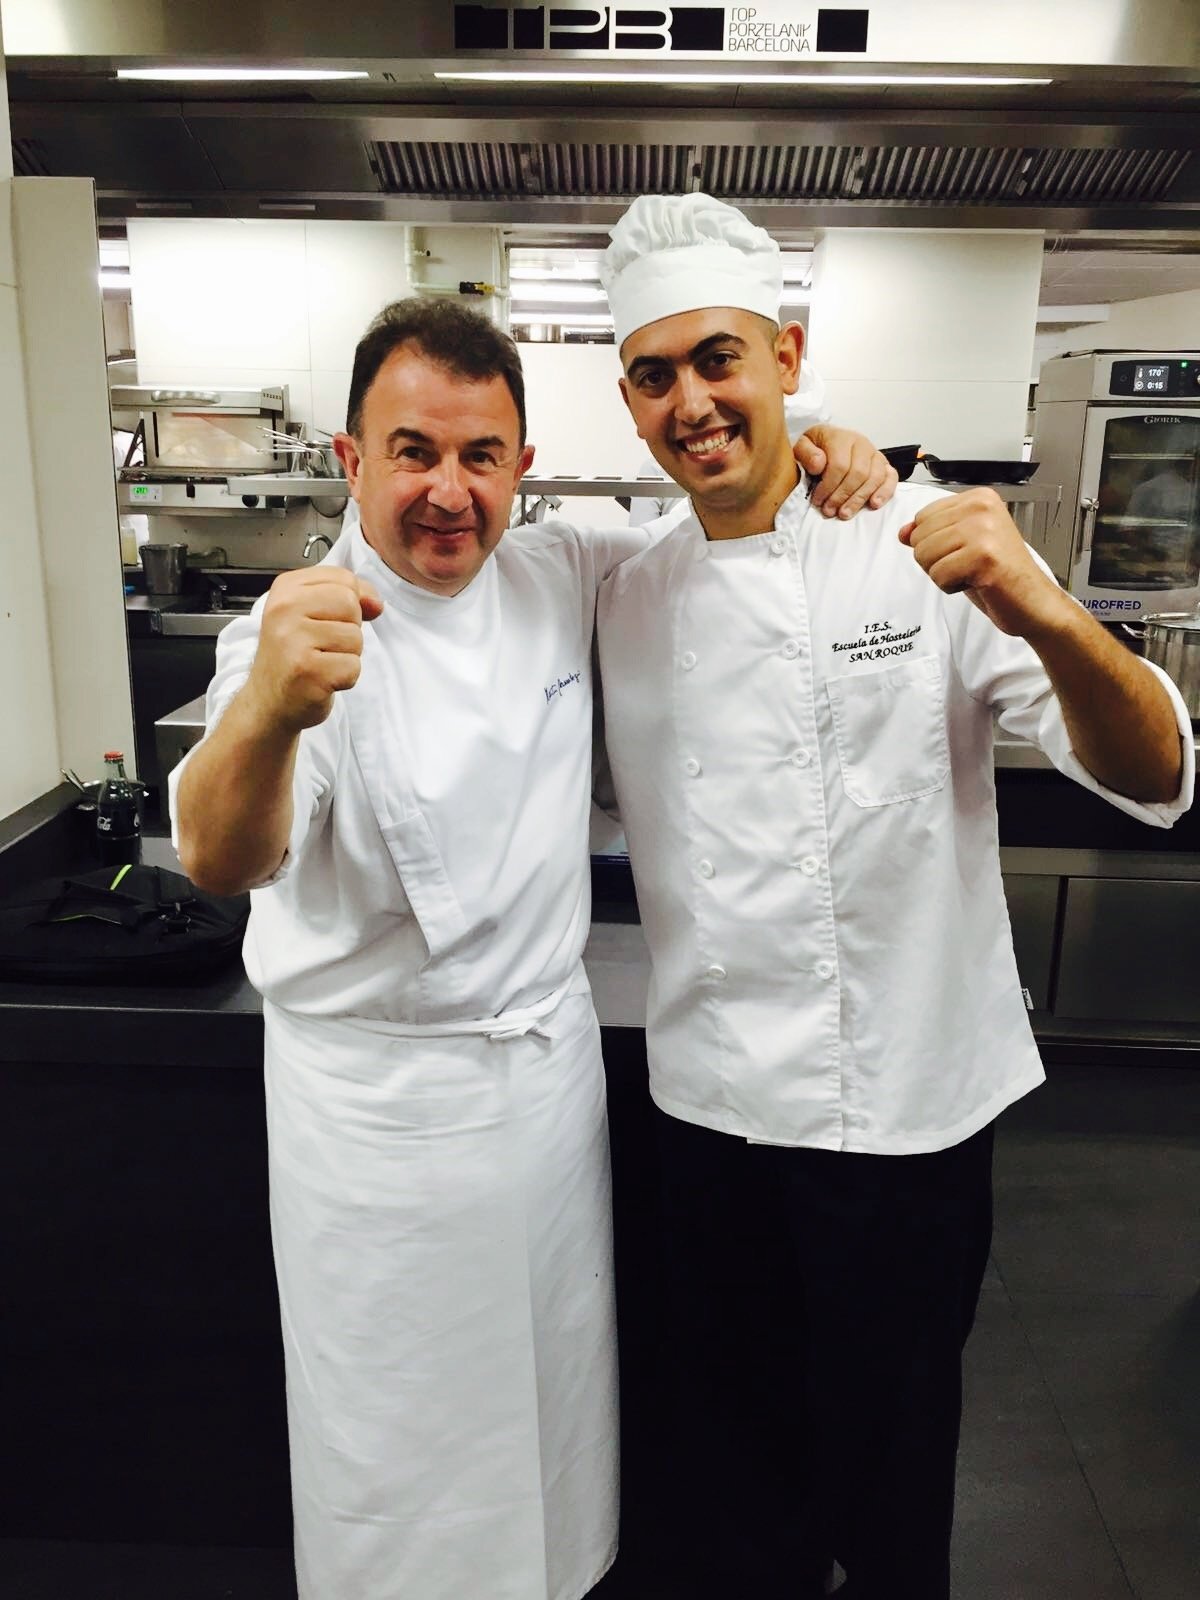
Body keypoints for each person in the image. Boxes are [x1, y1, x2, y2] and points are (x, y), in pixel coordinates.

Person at [170, 295, 897, 1600]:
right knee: (397, 1455)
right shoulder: (291, 631)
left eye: (481, 457)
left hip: (547, 1094)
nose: (448, 493)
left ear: (524, 467)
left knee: (558, 1433)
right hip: (378, 1120)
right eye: (413, 452)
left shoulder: (560, 570)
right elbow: (225, 857)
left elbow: (720, 524)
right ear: (351, 458)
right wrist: (269, 711)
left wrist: (821, 449)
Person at [593, 193, 1194, 1600]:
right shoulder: (626, 587)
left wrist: (1046, 608)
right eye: (655, 374)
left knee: (894, 1487)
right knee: (740, 1487)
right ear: (628, 402)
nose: (693, 402)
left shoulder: (930, 543)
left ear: (787, 358)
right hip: (709, 1113)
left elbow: (1158, 772)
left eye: (720, 359)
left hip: (904, 1121)